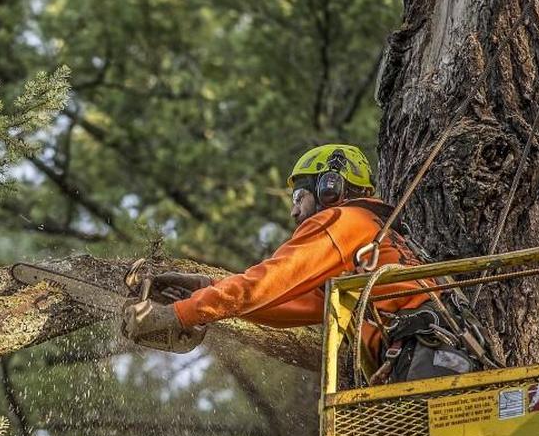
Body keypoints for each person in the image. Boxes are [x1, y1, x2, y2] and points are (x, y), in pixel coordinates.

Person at [122, 144, 486, 384]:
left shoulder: (342, 221)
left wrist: (183, 314)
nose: (294, 210)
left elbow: (270, 280)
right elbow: (283, 303)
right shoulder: (367, 248)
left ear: (330, 188)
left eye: (299, 196)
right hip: (432, 356)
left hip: (427, 358)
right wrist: (205, 290)